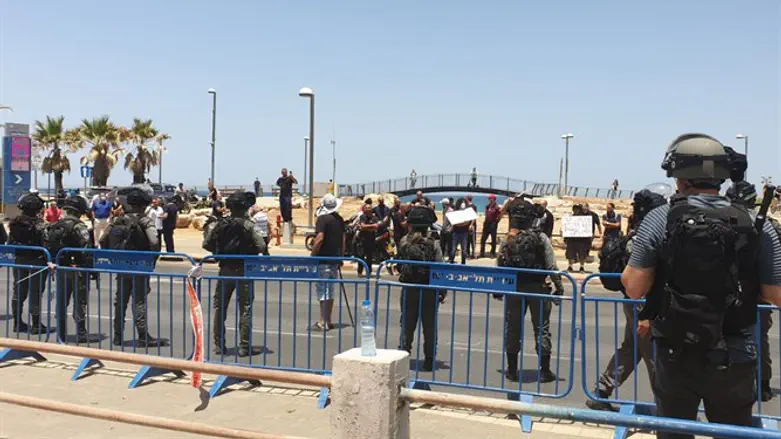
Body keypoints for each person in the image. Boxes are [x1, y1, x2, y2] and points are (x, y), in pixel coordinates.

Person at [622, 133, 781, 438]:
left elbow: (633, 287)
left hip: (675, 351)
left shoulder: (661, 217)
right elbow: (776, 293)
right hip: (735, 353)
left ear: (678, 175)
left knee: (674, 432)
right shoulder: (755, 222)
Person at [587, 195, 658, 411]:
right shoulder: (643, 238)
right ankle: (669, 406)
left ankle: (601, 392)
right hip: (643, 303)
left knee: (631, 349)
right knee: (655, 353)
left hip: (635, 302)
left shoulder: (637, 234)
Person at [496, 198, 564, 383]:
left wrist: (498, 290)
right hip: (538, 288)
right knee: (542, 329)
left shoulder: (508, 239)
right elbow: (551, 265)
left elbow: (500, 265)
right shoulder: (540, 238)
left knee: (512, 329)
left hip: (515, 289)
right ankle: (545, 371)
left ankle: (511, 370)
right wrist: (559, 287)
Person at [203, 191, 267, 357]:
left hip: (225, 270)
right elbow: (261, 245)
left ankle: (218, 345)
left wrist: (221, 252)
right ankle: (244, 347)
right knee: (245, 308)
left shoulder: (220, 224)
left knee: (219, 308)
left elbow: (206, 243)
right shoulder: (249, 225)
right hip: (245, 270)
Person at [726, 180, 774, 402]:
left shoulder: (720, 219)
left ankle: (760, 383)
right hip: (752, 293)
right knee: (756, 339)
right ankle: (758, 385)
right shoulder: (761, 225)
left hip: (741, 294)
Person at [101, 185, 165, 347]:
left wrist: (113, 259)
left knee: (120, 301)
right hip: (139, 267)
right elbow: (154, 241)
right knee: (139, 301)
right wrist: (151, 260)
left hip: (121, 267)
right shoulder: (145, 221)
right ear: (144, 205)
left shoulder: (117, 220)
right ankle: (143, 335)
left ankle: (117, 335)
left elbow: (102, 240)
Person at [45, 195, 99, 343]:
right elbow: (86, 247)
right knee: (80, 300)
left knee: (62, 299)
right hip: (78, 268)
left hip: (62, 267)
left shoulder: (56, 224)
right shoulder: (79, 226)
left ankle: (61, 332)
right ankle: (81, 332)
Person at [397, 205, 445, 371]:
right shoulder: (434, 243)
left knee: (406, 324)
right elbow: (440, 267)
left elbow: (398, 265)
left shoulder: (404, 241)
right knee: (430, 326)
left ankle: (403, 356)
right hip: (429, 290)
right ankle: (429, 360)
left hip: (409, 288)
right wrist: (442, 291)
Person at [8, 193, 48, 334]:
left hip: (19, 260)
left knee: (18, 292)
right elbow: (46, 242)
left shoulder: (14, 223)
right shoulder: (39, 224)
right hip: (37, 260)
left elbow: (9, 242)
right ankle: (36, 324)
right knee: (35, 293)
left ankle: (17, 323)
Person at [311, 194, 345, 331]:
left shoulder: (322, 219)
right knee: (330, 290)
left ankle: (323, 321)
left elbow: (319, 238)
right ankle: (329, 320)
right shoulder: (339, 219)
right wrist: (341, 257)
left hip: (323, 259)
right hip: (334, 259)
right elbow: (343, 240)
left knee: (322, 290)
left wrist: (312, 255)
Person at [565, 204, 591, 273]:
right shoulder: (570, 218)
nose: (576, 211)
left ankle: (581, 267)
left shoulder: (584, 219)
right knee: (570, 254)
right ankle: (570, 266)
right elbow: (567, 228)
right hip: (572, 239)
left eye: (577, 209)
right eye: (575, 209)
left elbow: (587, 229)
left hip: (581, 240)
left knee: (582, 254)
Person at [357, 203, 380, 276]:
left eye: (369, 208)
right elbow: (362, 226)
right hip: (362, 240)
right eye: (366, 208)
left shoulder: (375, 218)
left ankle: (369, 272)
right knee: (361, 256)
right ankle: (359, 272)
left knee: (369, 257)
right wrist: (371, 226)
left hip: (371, 240)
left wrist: (366, 228)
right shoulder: (362, 217)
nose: (367, 210)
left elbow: (376, 227)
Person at [449, 199, 470, 265]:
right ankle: (451, 261)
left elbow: (468, 221)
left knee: (464, 250)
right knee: (454, 249)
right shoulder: (455, 212)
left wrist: (459, 223)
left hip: (464, 232)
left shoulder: (467, 213)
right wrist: (462, 223)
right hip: (456, 232)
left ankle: (463, 263)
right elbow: (454, 222)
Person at [480, 194, 501, 258]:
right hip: (486, 224)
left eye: (490, 199)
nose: (489, 200)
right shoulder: (487, 206)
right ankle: (482, 253)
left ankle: (492, 253)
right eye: (489, 199)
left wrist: (496, 222)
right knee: (483, 239)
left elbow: (499, 216)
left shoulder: (496, 207)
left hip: (493, 224)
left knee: (493, 239)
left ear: (494, 200)